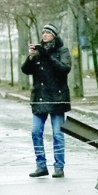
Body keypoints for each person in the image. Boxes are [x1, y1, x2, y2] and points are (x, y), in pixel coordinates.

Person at [21, 24, 71, 178]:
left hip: (57, 98)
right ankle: (41, 165)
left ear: (54, 35)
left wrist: (47, 55)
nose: (45, 35)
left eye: (48, 33)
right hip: (40, 98)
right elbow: (26, 70)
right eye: (43, 32)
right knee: (36, 132)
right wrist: (31, 57)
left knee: (57, 134)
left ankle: (59, 167)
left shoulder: (62, 51)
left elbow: (64, 69)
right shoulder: (38, 52)